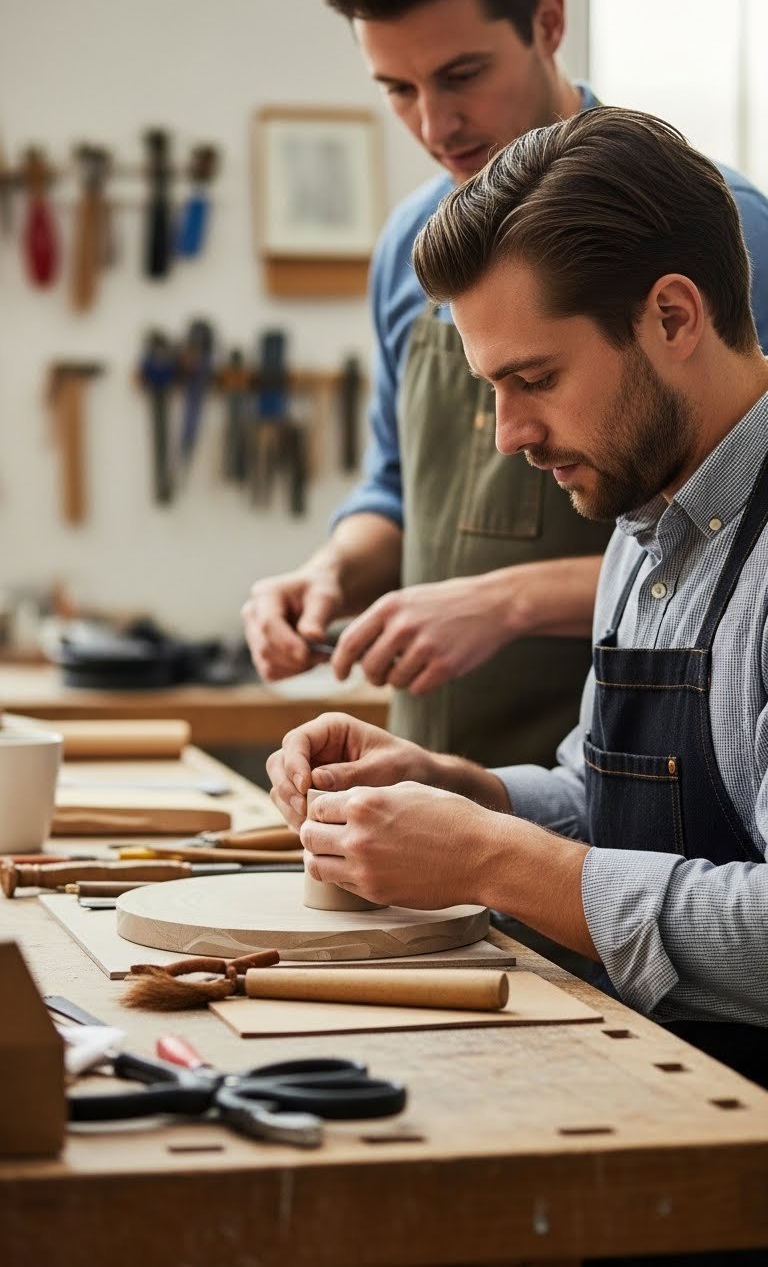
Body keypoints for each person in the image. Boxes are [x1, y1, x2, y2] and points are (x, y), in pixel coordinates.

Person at [267, 106, 768, 1093]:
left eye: (534, 378)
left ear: (674, 317)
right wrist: (459, 789)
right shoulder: (647, 511)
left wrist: (495, 862)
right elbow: (609, 803)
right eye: (492, 387)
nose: (507, 436)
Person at [243, 0, 768, 769]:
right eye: (399, 90)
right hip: (470, 776)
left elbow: (730, 533)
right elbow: (397, 489)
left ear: (548, 23)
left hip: (645, 789)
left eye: (461, 74)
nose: (433, 124)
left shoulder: (717, 229)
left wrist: (506, 601)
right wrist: (331, 572)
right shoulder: (411, 247)